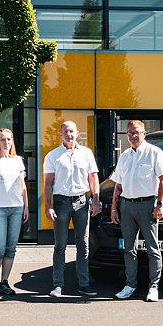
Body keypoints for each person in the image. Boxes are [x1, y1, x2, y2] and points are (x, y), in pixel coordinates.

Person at [110, 120, 163, 302]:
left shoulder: (154, 153)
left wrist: (160, 204)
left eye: (136, 132)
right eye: (129, 133)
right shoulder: (125, 156)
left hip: (147, 205)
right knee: (129, 248)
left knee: (153, 248)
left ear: (144, 133)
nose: (133, 136)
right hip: (126, 206)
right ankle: (130, 285)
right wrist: (114, 207)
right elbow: (118, 184)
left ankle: (153, 287)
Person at [42, 121, 100, 297]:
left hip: (82, 202)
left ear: (77, 133)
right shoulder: (53, 156)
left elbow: (93, 178)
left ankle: (84, 284)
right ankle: (58, 285)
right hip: (61, 203)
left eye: (72, 131)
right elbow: (48, 183)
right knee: (60, 245)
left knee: (83, 244)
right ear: (60, 134)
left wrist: (95, 201)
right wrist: (48, 206)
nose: (69, 134)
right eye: (65, 131)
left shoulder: (86, 153)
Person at [0, 128, 28, 296]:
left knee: (11, 248)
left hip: (17, 208)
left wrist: (26, 207)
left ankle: (4, 282)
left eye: (9, 139)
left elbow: (22, 187)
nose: (6, 142)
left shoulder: (18, 161)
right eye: (3, 139)